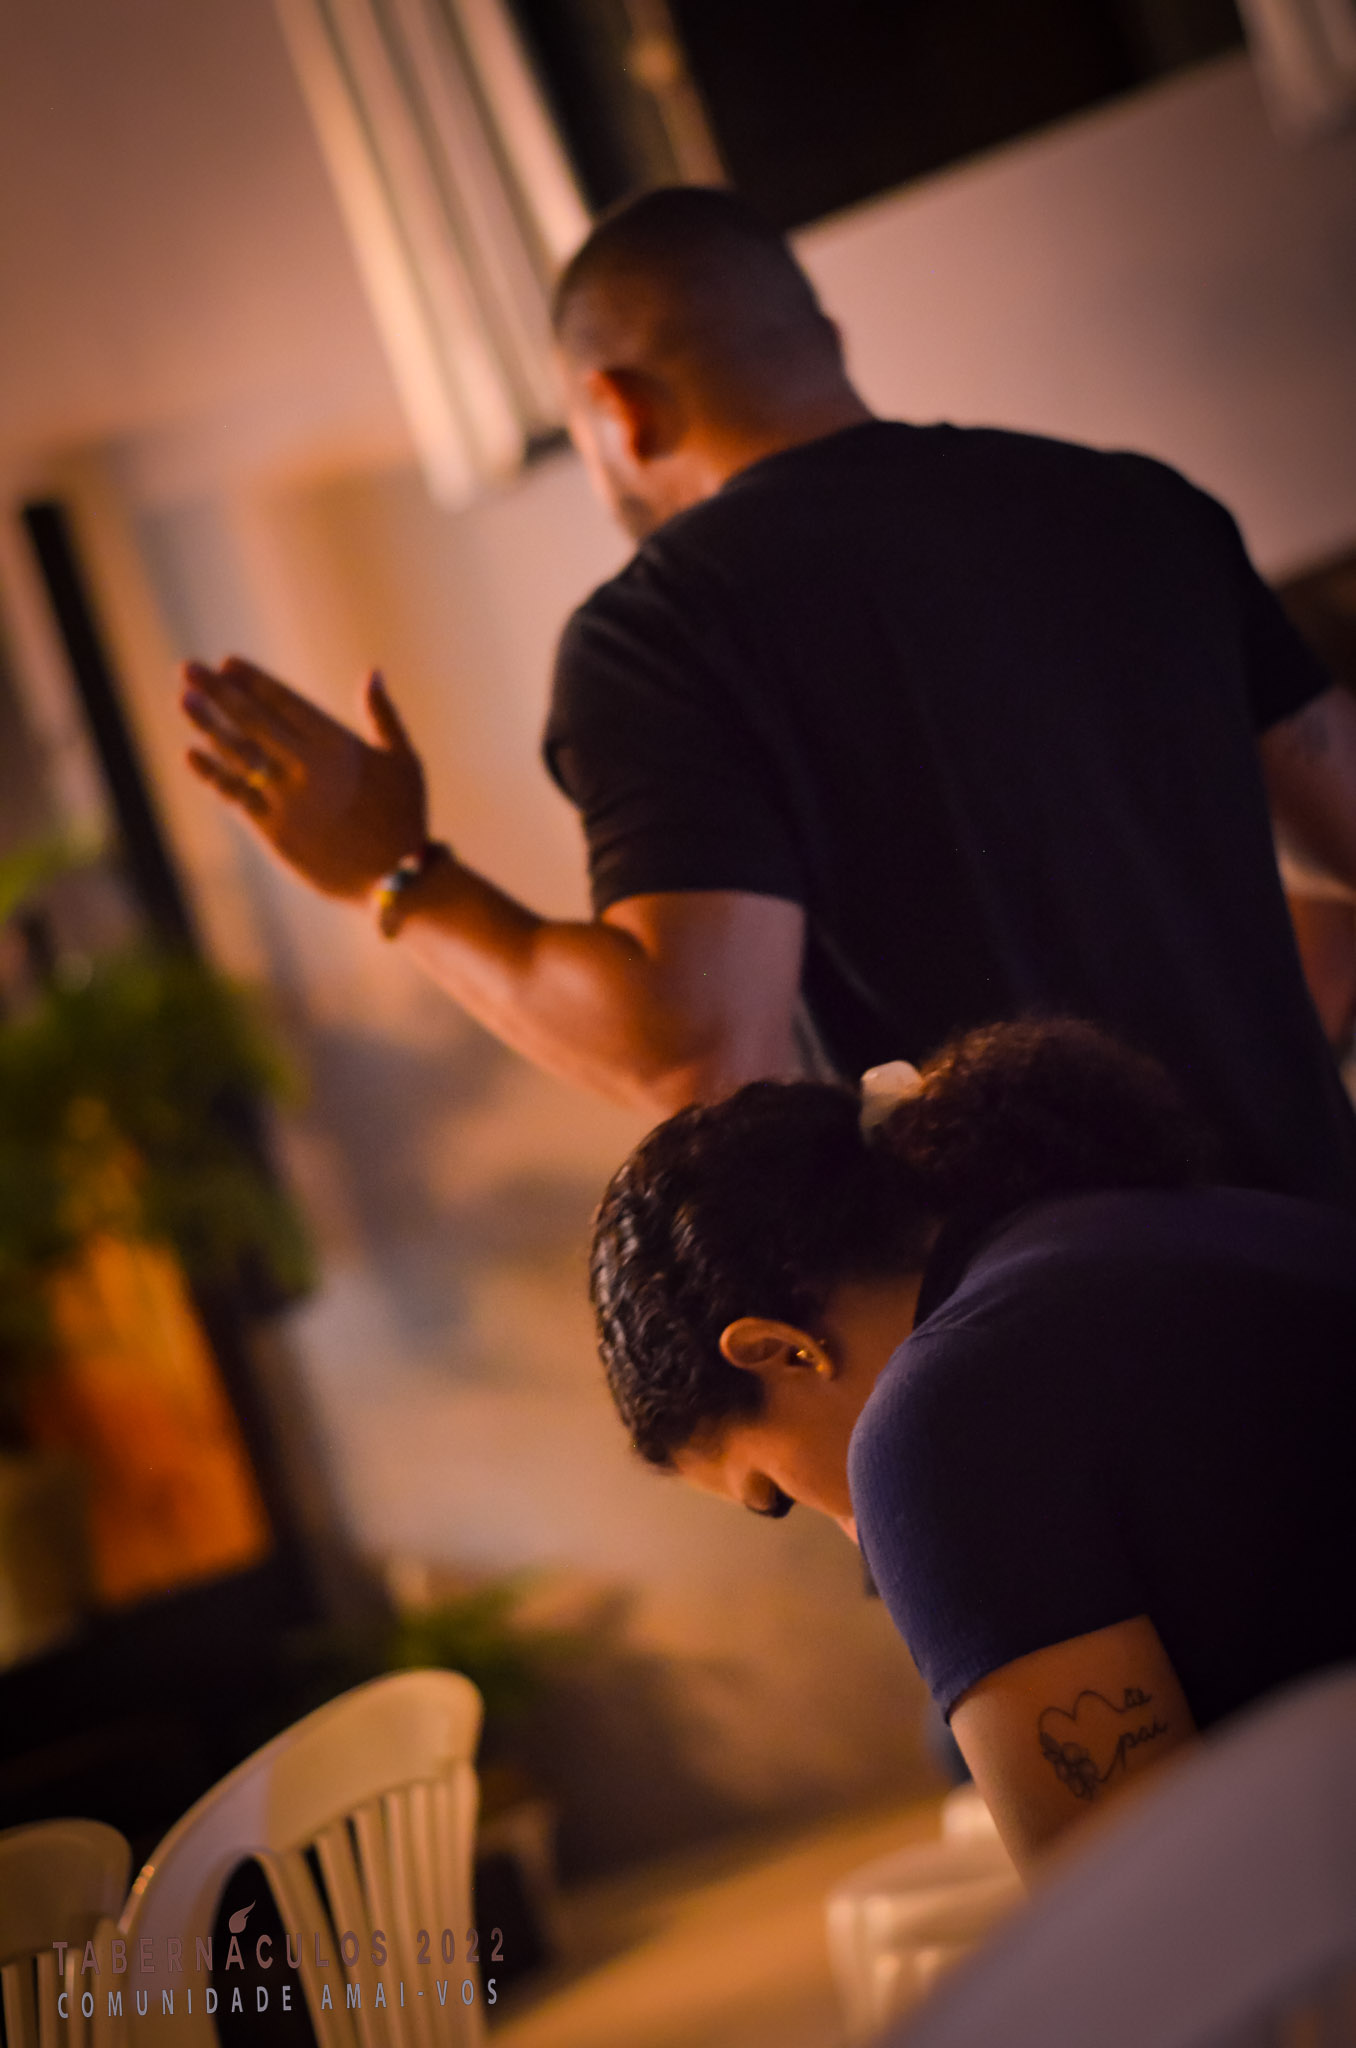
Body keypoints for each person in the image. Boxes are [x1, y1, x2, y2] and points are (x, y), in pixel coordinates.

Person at [181, 186, 1356, 1203]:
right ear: (825, 339)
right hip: (1321, 1241)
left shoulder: (663, 630)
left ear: (617, 409)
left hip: (1081, 1323)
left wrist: (399, 876)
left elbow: (697, 1053)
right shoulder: (1141, 506)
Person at [587, 1018, 1356, 1874]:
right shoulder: (1162, 1221)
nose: (842, 1531)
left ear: (780, 1350)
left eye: (773, 1494)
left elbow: (1137, 1907)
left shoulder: (935, 1422)